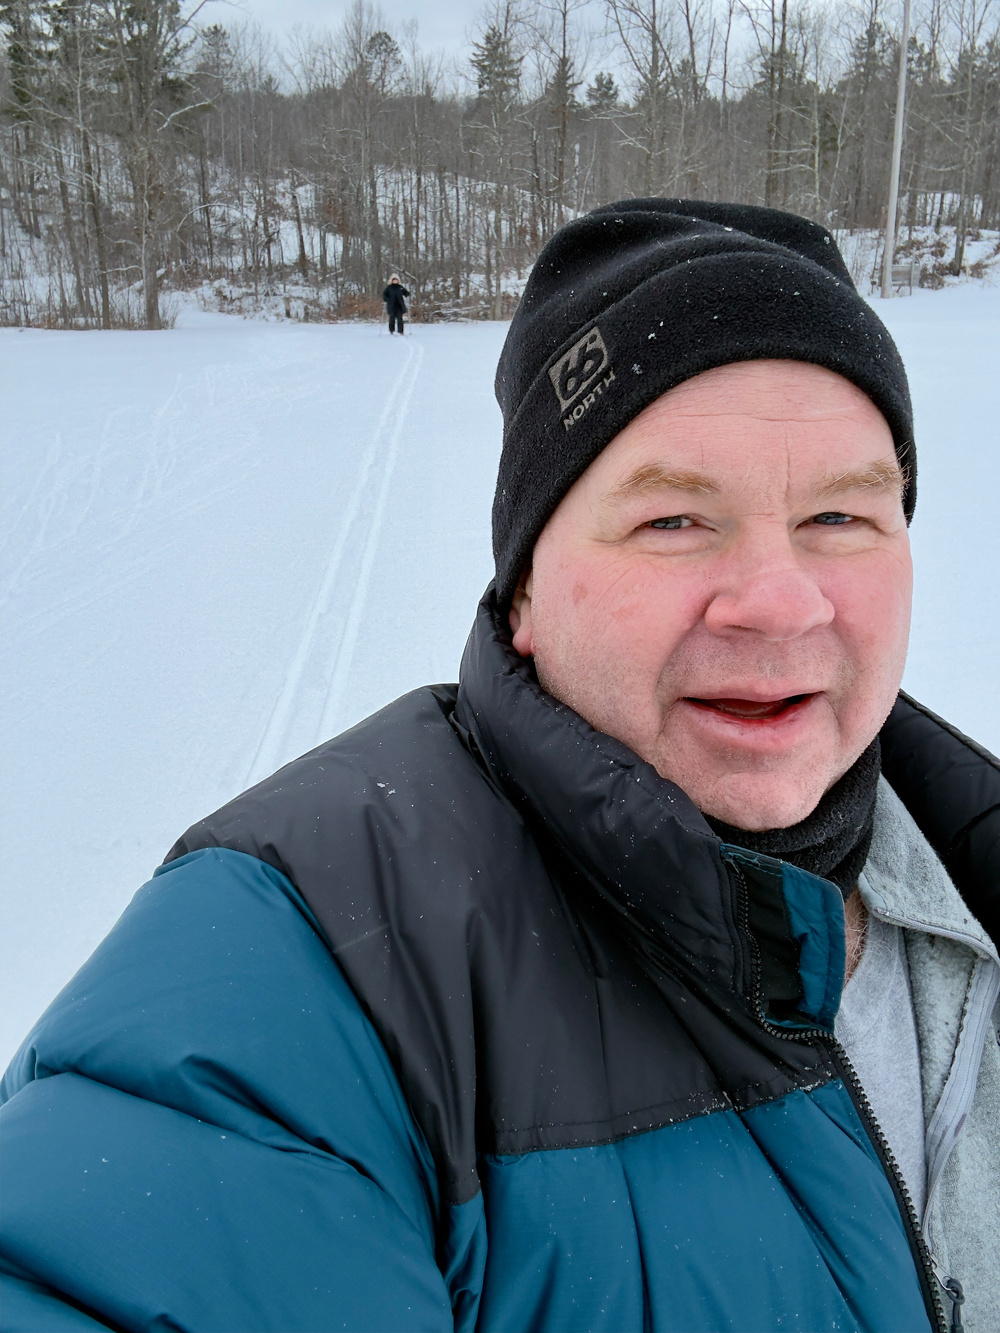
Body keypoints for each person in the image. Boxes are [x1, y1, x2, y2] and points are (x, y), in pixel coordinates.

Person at [2, 200, 998, 1333]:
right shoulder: (303, 968)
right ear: (523, 589)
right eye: (674, 520)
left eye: (838, 514)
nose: (778, 599)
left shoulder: (970, 877)